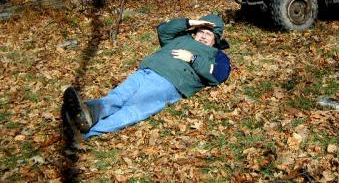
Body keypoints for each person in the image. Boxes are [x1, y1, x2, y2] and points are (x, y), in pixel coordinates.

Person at [63, 14, 231, 139]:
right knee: (118, 96)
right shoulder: (182, 38)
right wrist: (190, 22)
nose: (203, 36)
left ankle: (83, 130)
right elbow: (163, 30)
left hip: (169, 83)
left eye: (208, 34)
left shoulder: (216, 54)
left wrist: (193, 59)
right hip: (147, 70)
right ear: (194, 32)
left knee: (132, 110)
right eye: (201, 31)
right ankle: (88, 111)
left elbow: (219, 74)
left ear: (215, 40)